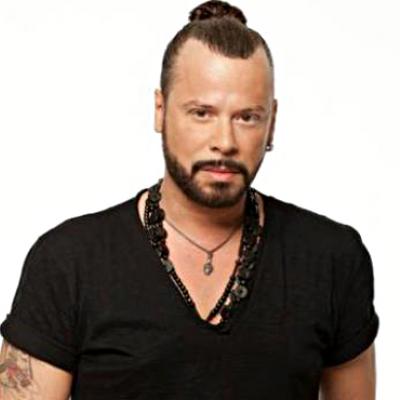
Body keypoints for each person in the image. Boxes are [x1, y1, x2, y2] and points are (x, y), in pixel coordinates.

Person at [0, 1, 379, 399]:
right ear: (160, 110)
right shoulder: (69, 262)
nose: (225, 141)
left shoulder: (333, 259)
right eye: (201, 113)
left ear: (272, 123)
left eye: (247, 117)